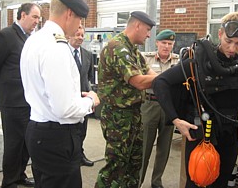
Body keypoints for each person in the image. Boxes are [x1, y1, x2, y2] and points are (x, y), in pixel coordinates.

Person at [152, 8, 238, 188]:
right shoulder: (201, 61)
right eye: (228, 41)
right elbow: (160, 82)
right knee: (197, 182)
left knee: (222, 181)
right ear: (220, 34)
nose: (232, 48)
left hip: (231, 135)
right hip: (202, 132)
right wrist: (176, 119)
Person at [20, 0, 100, 188]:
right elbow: (65, 109)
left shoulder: (34, 40)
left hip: (38, 129)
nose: (80, 26)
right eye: (80, 19)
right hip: (57, 137)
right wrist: (91, 100)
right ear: (69, 14)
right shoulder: (57, 48)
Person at [95, 11, 157, 188]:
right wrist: (169, 77)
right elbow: (138, 81)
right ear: (136, 25)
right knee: (116, 168)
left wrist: (167, 78)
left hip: (134, 114)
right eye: (147, 29)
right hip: (118, 117)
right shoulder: (118, 47)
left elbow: (150, 74)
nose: (148, 34)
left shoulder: (133, 51)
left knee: (133, 165)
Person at [0, 3, 41, 188]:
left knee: (26, 143)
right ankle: (9, 181)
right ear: (22, 15)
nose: (37, 21)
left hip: (29, 101)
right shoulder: (6, 36)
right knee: (13, 144)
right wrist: (2, 92)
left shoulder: (29, 38)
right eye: (34, 17)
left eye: (39, 18)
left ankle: (19, 175)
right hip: (12, 101)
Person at [139, 29, 179, 188]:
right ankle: (138, 181)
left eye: (170, 44)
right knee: (144, 147)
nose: (166, 46)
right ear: (157, 43)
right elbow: (141, 80)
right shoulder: (145, 59)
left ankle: (157, 181)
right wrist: (165, 80)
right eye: (163, 43)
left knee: (164, 147)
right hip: (150, 105)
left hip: (168, 107)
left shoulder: (178, 61)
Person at [68, 24, 95, 167]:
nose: (80, 38)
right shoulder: (63, 52)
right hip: (68, 97)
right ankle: (72, 155)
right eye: (77, 35)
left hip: (84, 98)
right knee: (70, 130)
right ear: (69, 35)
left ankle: (79, 154)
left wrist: (90, 96)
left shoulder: (87, 54)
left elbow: (88, 77)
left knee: (82, 129)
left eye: (82, 36)